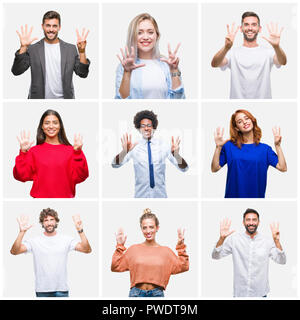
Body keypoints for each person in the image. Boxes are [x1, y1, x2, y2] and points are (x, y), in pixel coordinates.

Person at [10, 208, 92, 297]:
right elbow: (14, 251)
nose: (49, 223)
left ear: (56, 221)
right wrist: (22, 232)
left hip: (62, 290)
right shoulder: (34, 241)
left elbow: (87, 249)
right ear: (42, 223)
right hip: (42, 290)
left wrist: (80, 230)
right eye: (46, 220)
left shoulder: (66, 239)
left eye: (52, 219)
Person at [11, 10, 90, 99]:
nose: (51, 29)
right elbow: (16, 71)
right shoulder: (33, 49)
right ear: (42, 26)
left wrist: (82, 52)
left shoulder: (70, 49)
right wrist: (23, 47)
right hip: (38, 99)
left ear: (59, 27)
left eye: (54, 26)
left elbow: (83, 74)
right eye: (48, 25)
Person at [111, 208, 189, 297]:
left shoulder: (166, 251)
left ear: (157, 228)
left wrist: (181, 246)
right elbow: (115, 266)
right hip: (136, 294)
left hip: (157, 294)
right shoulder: (133, 249)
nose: (148, 231)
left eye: (151, 227)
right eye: (145, 228)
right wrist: (119, 246)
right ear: (141, 229)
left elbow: (184, 266)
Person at [112, 110, 188, 197]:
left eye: (149, 125)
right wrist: (124, 152)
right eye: (143, 126)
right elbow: (115, 165)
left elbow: (184, 168)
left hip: (160, 197)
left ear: (154, 127)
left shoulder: (164, 146)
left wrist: (177, 155)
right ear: (139, 128)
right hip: (140, 196)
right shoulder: (133, 147)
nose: (146, 128)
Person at [211, 109, 287, 198]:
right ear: (236, 128)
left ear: (252, 120)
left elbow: (283, 167)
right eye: (240, 121)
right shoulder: (229, 146)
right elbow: (214, 168)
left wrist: (277, 146)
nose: (244, 122)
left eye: (246, 118)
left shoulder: (265, 149)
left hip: (256, 198)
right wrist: (218, 147)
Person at [13, 109, 89, 198]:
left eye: (55, 123)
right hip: (39, 201)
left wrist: (78, 152)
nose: (51, 126)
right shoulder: (34, 151)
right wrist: (23, 153)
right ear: (42, 126)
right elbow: (21, 176)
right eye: (47, 123)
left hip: (65, 201)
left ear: (60, 126)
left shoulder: (71, 151)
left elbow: (82, 176)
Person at [211, 11, 287, 99]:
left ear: (259, 28)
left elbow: (282, 61)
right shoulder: (232, 52)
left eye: (254, 24)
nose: (250, 28)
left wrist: (276, 47)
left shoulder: (268, 52)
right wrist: (226, 47)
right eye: (246, 24)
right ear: (241, 28)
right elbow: (215, 64)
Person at [212, 208, 286, 297]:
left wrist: (277, 242)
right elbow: (215, 256)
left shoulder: (267, 241)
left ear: (259, 222)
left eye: (254, 220)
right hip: (240, 293)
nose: (251, 223)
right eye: (248, 220)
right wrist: (221, 239)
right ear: (243, 222)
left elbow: (282, 261)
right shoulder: (234, 239)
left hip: (260, 293)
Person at [115, 13, 184, 99]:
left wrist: (174, 70)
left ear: (157, 35)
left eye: (150, 32)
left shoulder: (168, 64)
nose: (145, 37)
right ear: (133, 36)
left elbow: (179, 99)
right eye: (139, 33)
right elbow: (121, 100)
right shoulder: (123, 67)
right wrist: (127, 72)